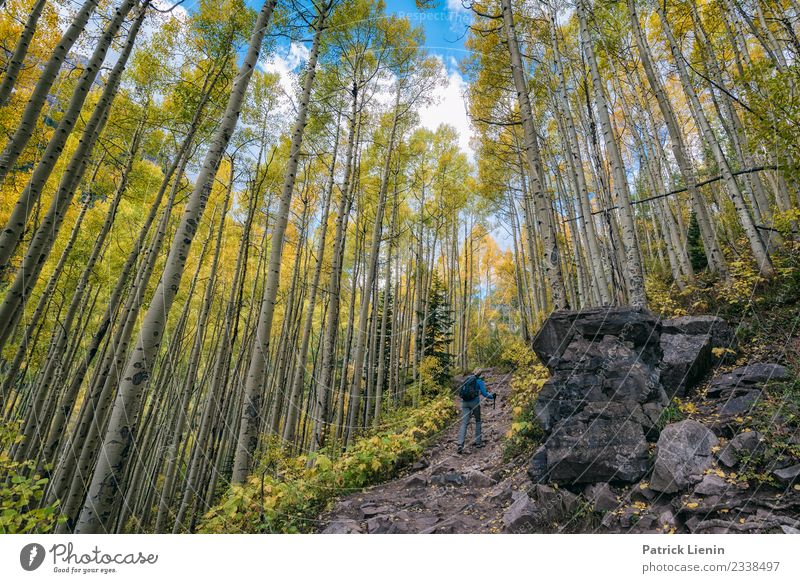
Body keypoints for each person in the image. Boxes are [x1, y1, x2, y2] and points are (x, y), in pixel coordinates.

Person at [456, 369, 495, 454]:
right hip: (475, 403)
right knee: (478, 421)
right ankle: (478, 443)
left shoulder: (468, 379)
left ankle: (460, 444)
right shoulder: (479, 381)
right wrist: (493, 396)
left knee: (464, 423)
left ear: (474, 373)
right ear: (481, 374)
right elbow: (484, 394)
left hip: (465, 403)